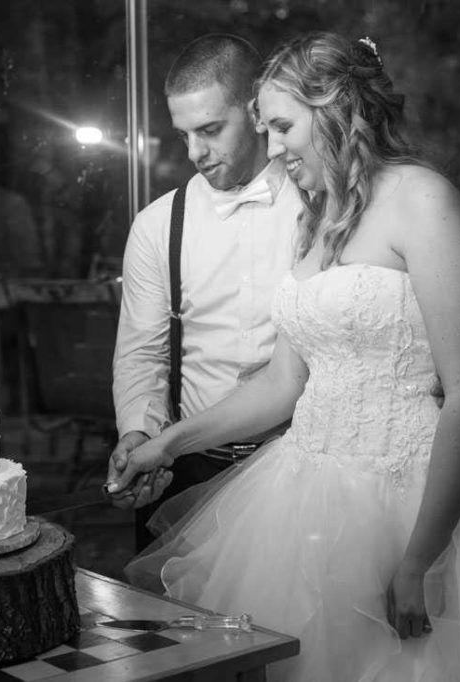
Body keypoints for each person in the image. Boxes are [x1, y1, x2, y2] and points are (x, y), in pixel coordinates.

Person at [107, 32, 460, 681]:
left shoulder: (423, 200)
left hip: (409, 500)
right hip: (299, 496)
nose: (272, 147)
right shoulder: (316, 218)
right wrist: (165, 443)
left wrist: (419, 559)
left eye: (283, 126)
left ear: (336, 109)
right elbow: (281, 383)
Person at [110, 34, 304, 550]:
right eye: (183, 135)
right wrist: (139, 433)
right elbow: (142, 354)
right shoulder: (157, 226)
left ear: (257, 110)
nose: (196, 153)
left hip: (303, 468)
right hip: (190, 472)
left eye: (210, 130)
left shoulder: (318, 208)